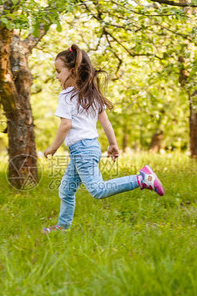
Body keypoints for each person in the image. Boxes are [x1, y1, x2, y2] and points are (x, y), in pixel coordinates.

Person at [42, 44, 165, 234]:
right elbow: (106, 123)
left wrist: (52, 148)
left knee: (98, 190)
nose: (57, 76)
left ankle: (142, 178)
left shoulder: (66, 96)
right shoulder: (91, 94)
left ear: (73, 71)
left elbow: (65, 125)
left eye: (59, 72)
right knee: (66, 190)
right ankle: (63, 226)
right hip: (87, 148)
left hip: (82, 150)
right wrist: (113, 144)